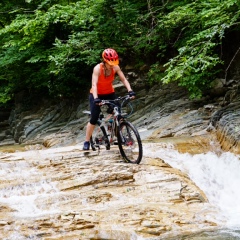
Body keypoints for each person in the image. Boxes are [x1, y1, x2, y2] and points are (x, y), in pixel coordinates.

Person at [83, 48, 135, 150]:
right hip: (96, 94)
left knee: (118, 114)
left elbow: (123, 79)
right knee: (94, 118)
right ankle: (87, 141)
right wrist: (96, 99)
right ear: (104, 61)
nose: (112, 65)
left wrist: (130, 90)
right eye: (110, 63)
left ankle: (115, 131)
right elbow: (94, 84)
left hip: (110, 93)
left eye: (113, 63)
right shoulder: (97, 68)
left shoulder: (115, 67)